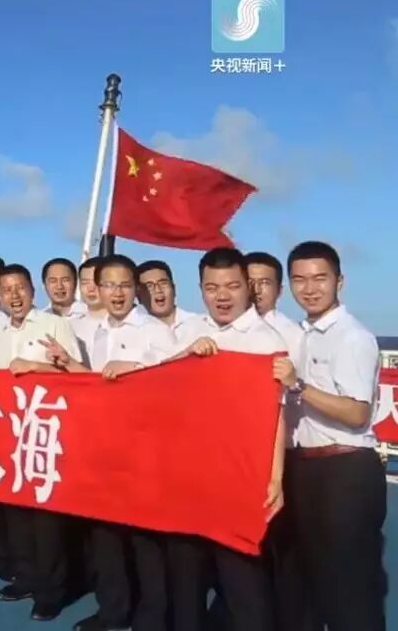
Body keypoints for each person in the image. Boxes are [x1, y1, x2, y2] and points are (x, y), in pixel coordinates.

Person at [169, 247, 287, 631]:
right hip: (189, 478)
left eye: (232, 286)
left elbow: (277, 415)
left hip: (240, 479)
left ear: (248, 287)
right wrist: (184, 357)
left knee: (243, 582)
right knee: (186, 581)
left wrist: (276, 478)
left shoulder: (266, 340)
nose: (222, 295)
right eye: (212, 287)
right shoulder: (188, 331)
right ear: (200, 288)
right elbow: (158, 391)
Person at [278, 241, 385, 631]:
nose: (309, 288)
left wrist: (299, 385)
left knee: (349, 588)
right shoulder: (300, 333)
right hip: (306, 469)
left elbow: (357, 413)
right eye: (300, 280)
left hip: (345, 471)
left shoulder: (352, 337)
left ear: (339, 281)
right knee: (309, 582)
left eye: (320, 278)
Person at [70, 254, 176, 631]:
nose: (117, 293)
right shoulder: (93, 332)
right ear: (97, 290)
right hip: (101, 447)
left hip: (143, 448)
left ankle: (153, 616)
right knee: (105, 536)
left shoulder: (155, 331)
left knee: (146, 540)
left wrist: (137, 369)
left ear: (136, 289)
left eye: (125, 285)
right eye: (109, 285)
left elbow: (176, 381)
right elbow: (90, 385)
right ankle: (113, 609)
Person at [0, 263, 83, 622]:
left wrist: (34, 367)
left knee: (46, 520)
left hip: (46, 433)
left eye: (20, 288)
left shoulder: (54, 325)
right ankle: (26, 578)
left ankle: (51, 591)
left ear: (33, 291)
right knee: (16, 515)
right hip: (11, 433)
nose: (14, 295)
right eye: (7, 290)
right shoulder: (0, 332)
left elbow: (76, 375)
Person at [136, 260, 198, 337]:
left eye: (163, 284)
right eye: (149, 286)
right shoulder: (135, 333)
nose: (158, 290)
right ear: (138, 297)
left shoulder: (197, 323)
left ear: (174, 289)